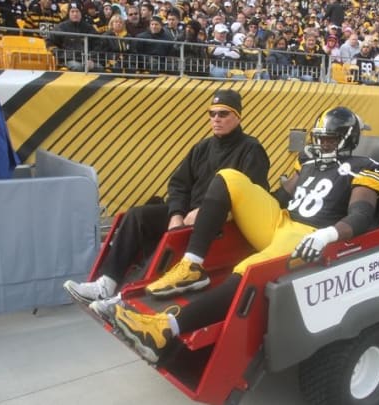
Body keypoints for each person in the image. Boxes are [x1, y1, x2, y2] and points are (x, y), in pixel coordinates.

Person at [105, 107, 379, 363]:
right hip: (280, 220)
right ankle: (192, 265)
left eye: (330, 139)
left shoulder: (364, 167)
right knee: (229, 176)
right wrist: (229, 207)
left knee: (248, 269)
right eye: (321, 138)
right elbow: (278, 197)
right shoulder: (308, 163)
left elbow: (361, 215)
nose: (323, 144)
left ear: (347, 139)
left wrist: (326, 236)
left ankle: (162, 330)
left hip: (308, 234)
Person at [63, 89, 270, 306]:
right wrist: (176, 214)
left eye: (223, 114)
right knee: (136, 216)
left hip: (217, 224)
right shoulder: (202, 148)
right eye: (212, 113)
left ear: (237, 116)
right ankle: (106, 282)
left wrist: (207, 213)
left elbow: (254, 196)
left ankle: (126, 298)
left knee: (171, 241)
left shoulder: (252, 150)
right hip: (187, 213)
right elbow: (179, 184)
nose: (216, 119)